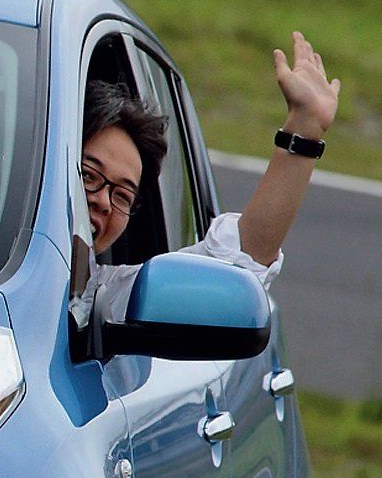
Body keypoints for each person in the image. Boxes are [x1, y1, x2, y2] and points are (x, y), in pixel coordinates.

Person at [85, 31, 340, 321]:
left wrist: (304, 130)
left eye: (122, 196)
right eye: (89, 176)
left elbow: (237, 267)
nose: (104, 202)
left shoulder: (107, 300)